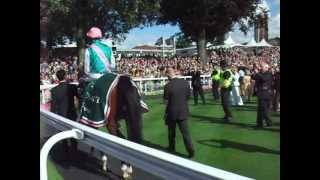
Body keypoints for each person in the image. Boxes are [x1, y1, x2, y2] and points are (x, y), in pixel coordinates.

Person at [164, 68, 194, 158]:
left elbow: (165, 101)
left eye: (166, 75)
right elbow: (188, 97)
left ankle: (172, 149)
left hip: (171, 112)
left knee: (171, 133)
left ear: (169, 74)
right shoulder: (185, 83)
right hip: (183, 111)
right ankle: (191, 151)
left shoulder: (167, 86)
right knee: (185, 133)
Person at [51, 69, 79, 159]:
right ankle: (74, 153)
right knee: (73, 135)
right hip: (72, 114)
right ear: (65, 76)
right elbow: (79, 98)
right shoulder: (72, 87)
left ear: (57, 78)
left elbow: (53, 107)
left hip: (61, 116)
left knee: (63, 137)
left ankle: (66, 154)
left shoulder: (54, 90)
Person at [252, 63, 273, 128]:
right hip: (261, 94)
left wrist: (257, 73)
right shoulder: (260, 74)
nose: (261, 67)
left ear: (267, 68)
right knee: (260, 109)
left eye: (262, 67)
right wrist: (255, 72)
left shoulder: (269, 74)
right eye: (261, 66)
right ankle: (259, 123)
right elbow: (254, 77)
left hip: (265, 94)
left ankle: (269, 122)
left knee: (264, 109)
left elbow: (264, 79)